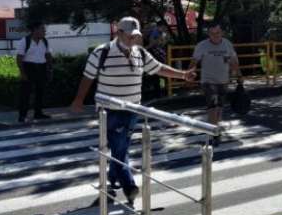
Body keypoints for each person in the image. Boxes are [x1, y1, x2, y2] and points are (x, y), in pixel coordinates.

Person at [70, 17, 196, 204]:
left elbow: (159, 68)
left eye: (135, 36)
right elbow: (87, 77)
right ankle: (129, 186)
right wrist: (78, 100)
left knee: (120, 148)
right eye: (129, 36)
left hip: (133, 109)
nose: (132, 40)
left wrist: (182, 75)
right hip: (110, 110)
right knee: (119, 149)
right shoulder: (101, 53)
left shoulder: (140, 53)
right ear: (118, 33)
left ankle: (111, 182)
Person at [189, 22, 241, 146]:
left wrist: (239, 75)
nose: (215, 36)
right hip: (208, 81)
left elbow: (234, 61)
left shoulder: (227, 44)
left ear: (221, 33)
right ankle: (214, 134)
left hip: (223, 80)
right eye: (212, 34)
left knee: (219, 108)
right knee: (212, 107)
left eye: (217, 33)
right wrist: (188, 74)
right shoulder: (202, 45)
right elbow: (194, 61)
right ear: (209, 34)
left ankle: (214, 127)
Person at [16, 22, 53, 123]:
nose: (44, 31)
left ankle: (38, 113)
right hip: (28, 68)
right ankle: (22, 115)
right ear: (35, 30)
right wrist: (22, 73)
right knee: (25, 93)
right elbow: (19, 58)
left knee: (40, 92)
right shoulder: (25, 41)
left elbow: (48, 55)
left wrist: (49, 69)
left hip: (41, 67)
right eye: (42, 29)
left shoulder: (45, 41)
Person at [145, 22, 169, 98]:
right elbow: (153, 44)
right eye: (163, 27)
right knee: (158, 74)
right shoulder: (155, 33)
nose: (164, 29)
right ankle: (159, 92)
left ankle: (162, 91)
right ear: (159, 26)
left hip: (159, 55)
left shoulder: (161, 33)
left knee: (160, 74)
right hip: (157, 55)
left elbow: (162, 43)